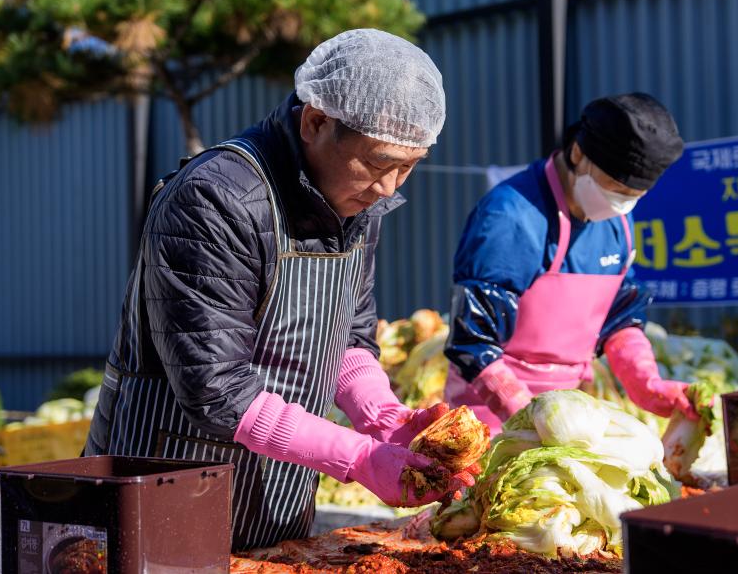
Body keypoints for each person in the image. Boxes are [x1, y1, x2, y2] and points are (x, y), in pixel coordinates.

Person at [85, 29, 474, 551]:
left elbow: (348, 339)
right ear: (315, 122)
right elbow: (216, 387)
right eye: (380, 163)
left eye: (409, 167)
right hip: (170, 481)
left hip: (279, 491)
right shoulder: (216, 197)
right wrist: (357, 457)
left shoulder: (358, 204)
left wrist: (382, 418)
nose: (389, 188)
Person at [443, 93, 700, 433]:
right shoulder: (511, 216)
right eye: (614, 186)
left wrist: (647, 384)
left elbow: (618, 318)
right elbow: (474, 342)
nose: (620, 202)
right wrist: (528, 415)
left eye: (633, 195)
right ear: (578, 152)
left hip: (570, 411)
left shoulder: (617, 222)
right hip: (489, 416)